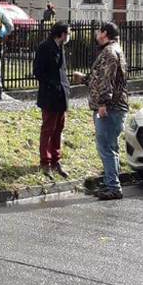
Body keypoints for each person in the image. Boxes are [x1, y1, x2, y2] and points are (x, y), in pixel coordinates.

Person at [72, 22, 129, 200]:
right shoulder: (112, 50)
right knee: (110, 146)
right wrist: (85, 79)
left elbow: (107, 81)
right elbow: (99, 80)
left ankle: (113, 187)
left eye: (99, 31)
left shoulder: (110, 53)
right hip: (114, 107)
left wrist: (103, 104)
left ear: (104, 33)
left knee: (106, 147)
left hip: (111, 108)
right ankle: (110, 182)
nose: (96, 34)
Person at [33, 22, 71, 178]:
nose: (69, 36)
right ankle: (45, 161)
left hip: (61, 94)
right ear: (61, 34)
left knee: (58, 129)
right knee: (48, 129)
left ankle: (56, 160)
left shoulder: (60, 47)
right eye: (67, 33)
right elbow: (37, 71)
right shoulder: (45, 47)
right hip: (49, 95)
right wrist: (51, 85)